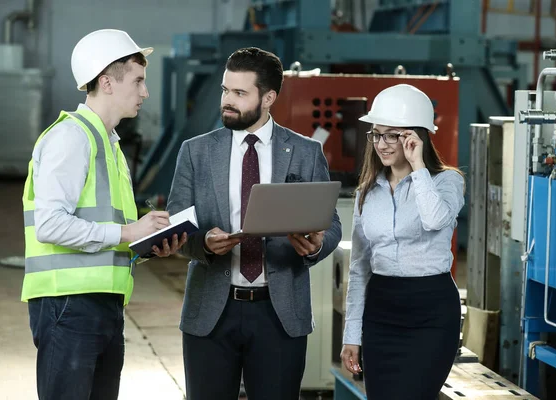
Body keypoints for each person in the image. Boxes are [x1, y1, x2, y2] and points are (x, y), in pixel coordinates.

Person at [167, 47, 342, 400]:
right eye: (225, 90)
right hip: (212, 312)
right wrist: (201, 242)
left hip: (279, 315)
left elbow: (332, 223)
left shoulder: (305, 152)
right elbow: (175, 224)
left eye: (240, 93)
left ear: (269, 98)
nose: (227, 101)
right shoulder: (195, 152)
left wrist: (317, 245)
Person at [21, 29, 186, 400]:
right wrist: (129, 233)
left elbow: (108, 232)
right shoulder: (72, 138)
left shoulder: (109, 146)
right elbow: (50, 225)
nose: (145, 93)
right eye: (138, 81)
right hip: (68, 304)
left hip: (103, 304)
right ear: (107, 82)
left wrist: (146, 245)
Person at [340, 84, 465, 399]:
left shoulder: (447, 181)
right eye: (377, 134)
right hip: (382, 311)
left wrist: (418, 166)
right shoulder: (367, 192)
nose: (381, 144)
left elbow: (436, 220)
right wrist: (351, 336)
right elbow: (359, 267)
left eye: (392, 135)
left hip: (432, 312)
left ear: (416, 136)